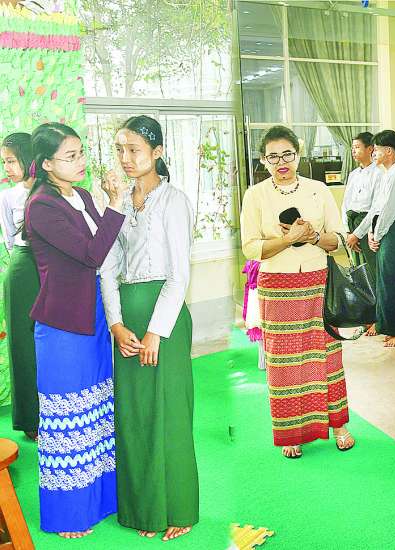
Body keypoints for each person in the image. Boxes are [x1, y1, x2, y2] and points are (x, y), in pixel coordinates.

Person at [24, 122, 125, 538]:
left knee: (97, 412)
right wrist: (115, 204)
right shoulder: (41, 206)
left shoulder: (80, 195)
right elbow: (91, 253)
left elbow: (105, 248)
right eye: (70, 156)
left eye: (81, 152)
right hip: (62, 324)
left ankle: (101, 501)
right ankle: (68, 514)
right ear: (47, 164)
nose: (80, 161)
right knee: (67, 418)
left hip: (93, 315)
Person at [99, 116, 198, 541]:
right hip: (127, 321)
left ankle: (179, 508)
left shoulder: (174, 201)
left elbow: (179, 274)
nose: (126, 158)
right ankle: (145, 509)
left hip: (166, 321)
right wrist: (115, 323)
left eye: (134, 149)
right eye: (120, 149)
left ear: (157, 152)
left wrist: (157, 331)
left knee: (170, 411)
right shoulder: (119, 202)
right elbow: (107, 267)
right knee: (135, 414)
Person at [240, 125, 355, 459]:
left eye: (287, 154)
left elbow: (339, 239)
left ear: (298, 154)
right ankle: (292, 432)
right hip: (278, 287)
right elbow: (251, 248)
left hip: (319, 283)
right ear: (263, 161)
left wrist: (313, 237)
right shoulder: (255, 195)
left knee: (328, 356)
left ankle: (339, 426)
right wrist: (288, 240)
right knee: (285, 363)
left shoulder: (319, 190)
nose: (281, 162)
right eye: (273, 157)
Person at [352, 129, 395, 348]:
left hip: (392, 231)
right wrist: (369, 232)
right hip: (383, 230)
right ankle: (388, 326)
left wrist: (376, 235)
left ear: (389, 151)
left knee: (393, 281)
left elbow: (388, 211)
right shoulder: (387, 173)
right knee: (384, 281)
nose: (374, 153)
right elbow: (377, 208)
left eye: (376, 150)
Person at [0, 133, 40, 440]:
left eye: (11, 161)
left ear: (29, 158)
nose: (7, 168)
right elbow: (10, 240)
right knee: (23, 347)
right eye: (4, 162)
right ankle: (30, 419)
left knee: (53, 344)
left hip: (56, 274)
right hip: (22, 273)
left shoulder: (52, 191)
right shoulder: (7, 197)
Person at [342, 132, 378, 283]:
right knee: (358, 268)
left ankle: (375, 296)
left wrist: (357, 234)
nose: (353, 151)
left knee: (372, 266)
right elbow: (345, 203)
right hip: (352, 224)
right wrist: (348, 231)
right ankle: (362, 295)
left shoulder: (378, 172)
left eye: (357, 147)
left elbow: (375, 207)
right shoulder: (353, 174)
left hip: (367, 224)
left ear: (370, 149)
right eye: (352, 148)